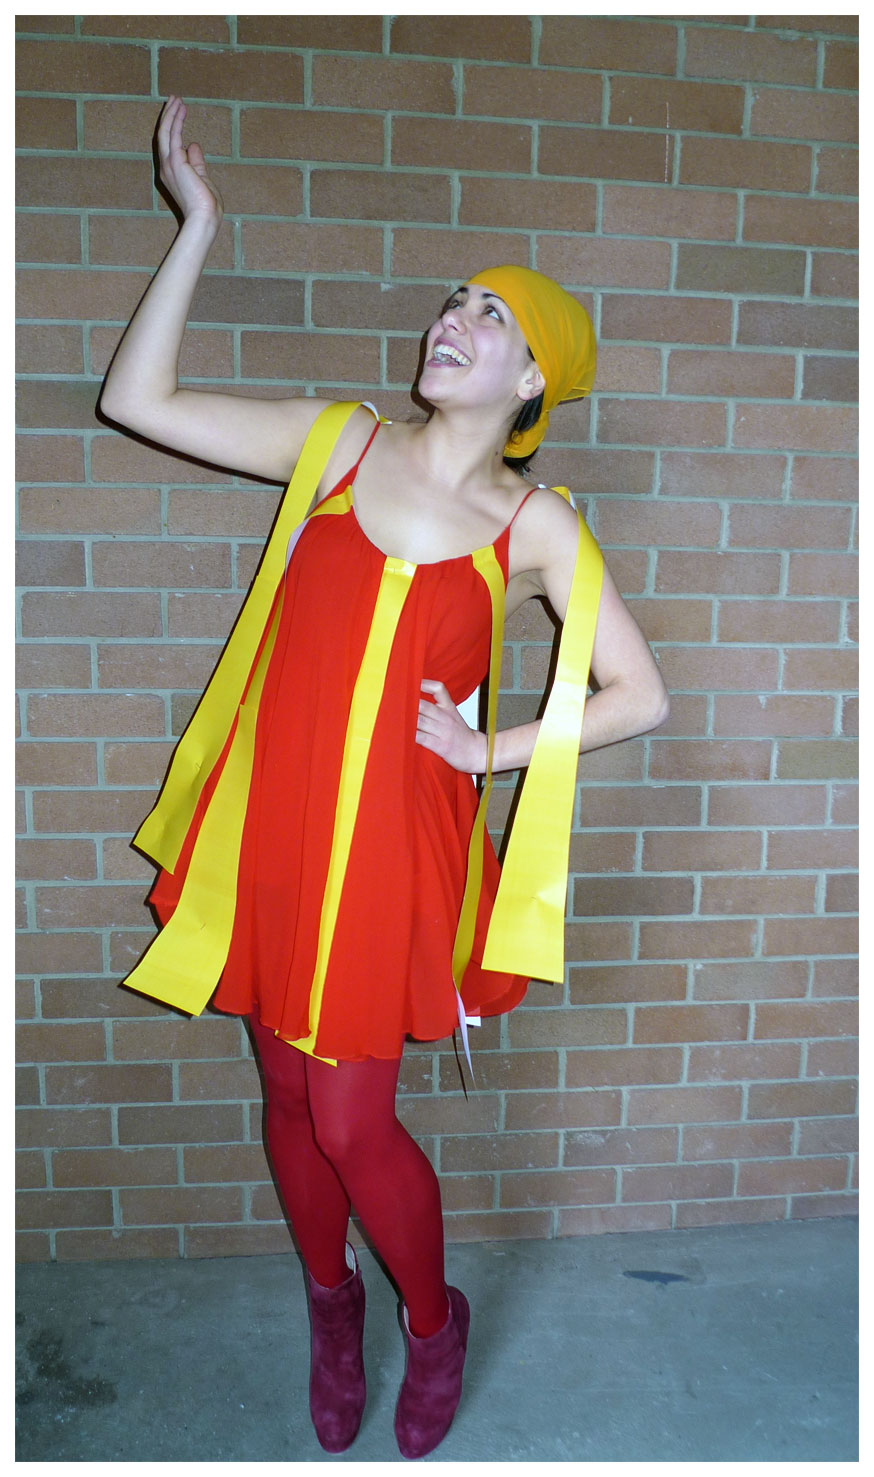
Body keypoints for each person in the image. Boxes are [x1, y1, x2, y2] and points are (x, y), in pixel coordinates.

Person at [101, 96, 669, 1460]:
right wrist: (198, 224)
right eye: (453, 299)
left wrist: (487, 751)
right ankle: (330, 1302)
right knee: (288, 1101)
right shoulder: (339, 444)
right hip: (274, 827)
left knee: (355, 1121)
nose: (453, 318)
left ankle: (430, 1316)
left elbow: (641, 695)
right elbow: (136, 401)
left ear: (531, 383)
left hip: (392, 851)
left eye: (491, 314)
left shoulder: (535, 526)